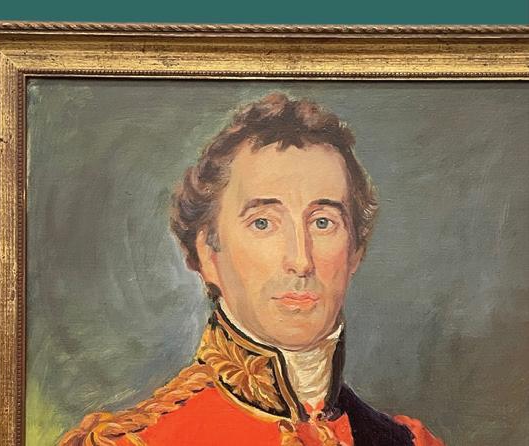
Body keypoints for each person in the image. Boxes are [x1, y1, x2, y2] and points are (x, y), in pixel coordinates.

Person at [60, 92, 444, 446]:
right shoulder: (135, 441)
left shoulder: (408, 442)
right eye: (263, 223)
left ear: (355, 252)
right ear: (208, 254)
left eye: (323, 222)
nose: (301, 261)